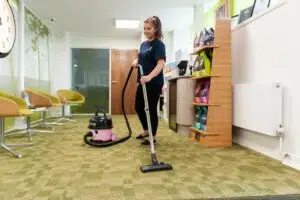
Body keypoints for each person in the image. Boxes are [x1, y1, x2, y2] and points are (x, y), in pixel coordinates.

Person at [132, 16, 166, 145]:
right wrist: (136, 61)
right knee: (139, 107)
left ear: (156, 29)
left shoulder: (159, 44)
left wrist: (149, 77)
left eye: (149, 28)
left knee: (151, 109)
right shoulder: (143, 44)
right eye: (145, 28)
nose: (146, 31)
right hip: (142, 81)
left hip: (153, 82)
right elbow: (142, 59)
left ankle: (153, 136)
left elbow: (160, 64)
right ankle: (146, 130)